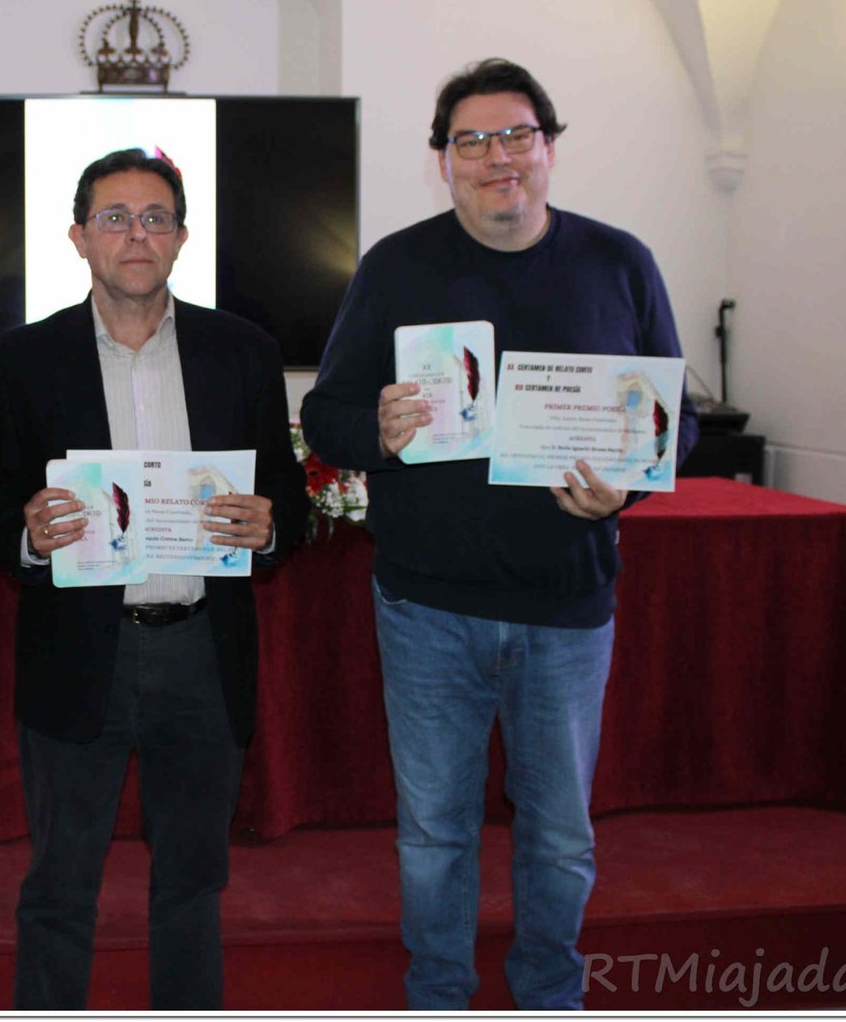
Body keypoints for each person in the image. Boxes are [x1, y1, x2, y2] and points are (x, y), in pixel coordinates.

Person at [301, 58, 698, 1010]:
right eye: (470, 140)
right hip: (427, 607)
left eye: (516, 134)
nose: (496, 157)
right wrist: (380, 431)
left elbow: (675, 420)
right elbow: (328, 416)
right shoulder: (397, 265)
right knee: (434, 831)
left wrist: (625, 492)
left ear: (549, 148)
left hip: (568, 606)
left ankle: (547, 996)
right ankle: (439, 994)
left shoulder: (619, 262)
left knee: (560, 835)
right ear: (442, 161)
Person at [0, 148, 305, 1010]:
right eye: (114, 217)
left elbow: (291, 504)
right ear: (79, 236)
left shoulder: (243, 352)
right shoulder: (20, 359)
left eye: (155, 217)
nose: (135, 234)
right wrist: (27, 533)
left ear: (182, 237)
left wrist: (270, 526)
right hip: (77, 654)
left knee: (193, 884)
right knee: (59, 886)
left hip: (201, 652)